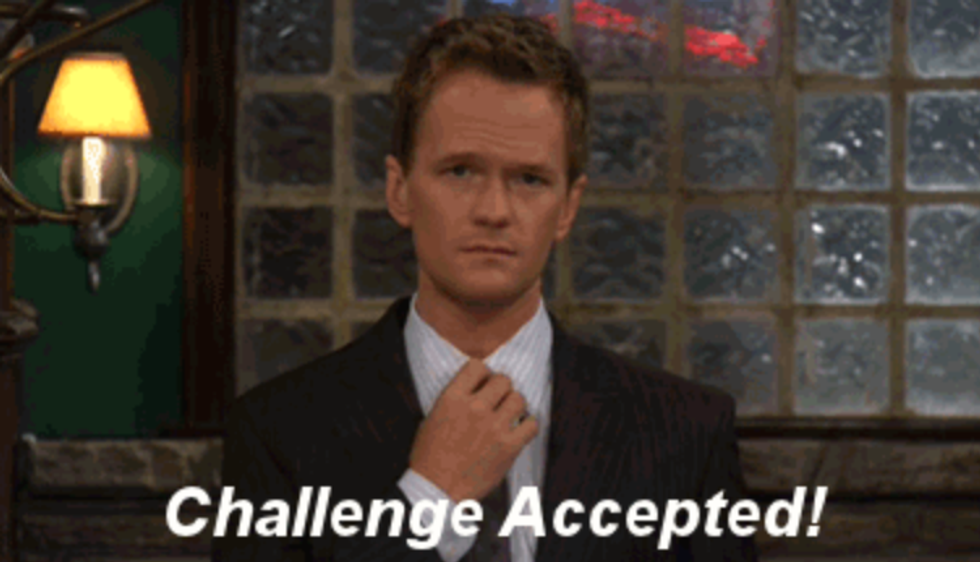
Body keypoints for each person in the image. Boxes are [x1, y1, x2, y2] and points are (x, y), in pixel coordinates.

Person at [213, 13, 757, 562]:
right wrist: (430, 500)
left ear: (567, 207)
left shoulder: (686, 434)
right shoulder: (277, 434)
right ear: (400, 190)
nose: (494, 211)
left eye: (530, 179)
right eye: (460, 171)